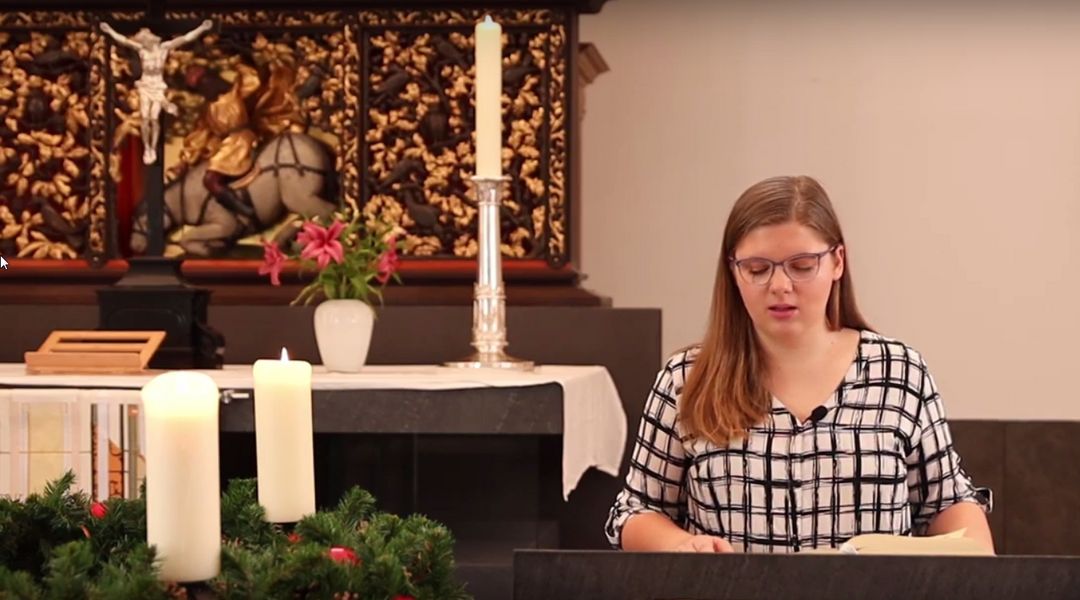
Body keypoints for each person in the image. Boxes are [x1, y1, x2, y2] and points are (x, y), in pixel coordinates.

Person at [605, 175, 993, 554]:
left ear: (837, 262)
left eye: (802, 265)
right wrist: (681, 544)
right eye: (758, 269)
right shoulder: (686, 379)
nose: (780, 286)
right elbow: (636, 511)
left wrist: (981, 564)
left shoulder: (900, 372)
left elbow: (947, 503)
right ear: (733, 272)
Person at [99, 20, 214, 164]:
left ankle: (152, 147)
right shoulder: (142, 50)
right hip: (145, 85)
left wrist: (202, 28)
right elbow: (124, 41)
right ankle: (147, 147)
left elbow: (186, 38)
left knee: (154, 119)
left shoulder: (164, 49)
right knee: (145, 119)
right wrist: (109, 30)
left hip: (158, 86)